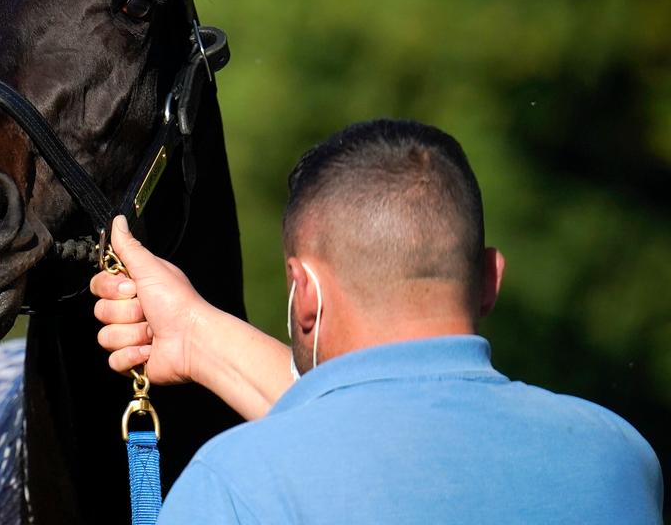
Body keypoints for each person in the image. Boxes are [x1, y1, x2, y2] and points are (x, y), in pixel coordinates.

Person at [92, 119, 663, 523]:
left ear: (305, 294)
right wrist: (192, 333)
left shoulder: (234, 484)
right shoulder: (618, 457)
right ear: (490, 278)